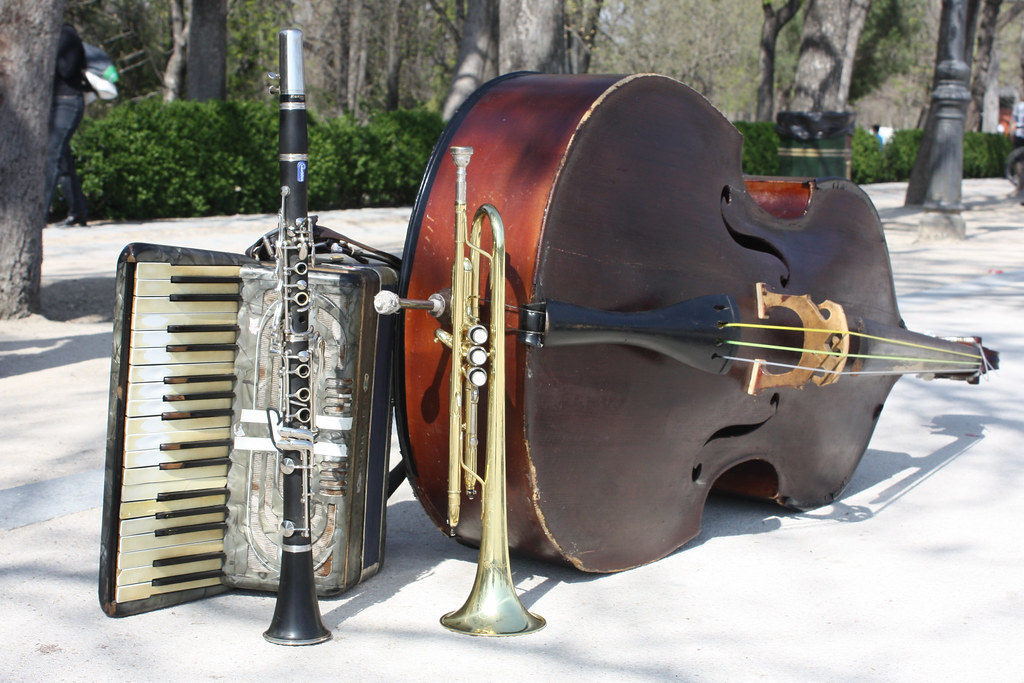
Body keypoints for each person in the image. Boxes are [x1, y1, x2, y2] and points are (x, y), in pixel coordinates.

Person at [44, 23, 89, 227]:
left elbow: (68, 69)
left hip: (68, 102)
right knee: (63, 161)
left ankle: (39, 213)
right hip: (56, 104)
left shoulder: (66, 34)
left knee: (52, 154)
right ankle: (78, 213)